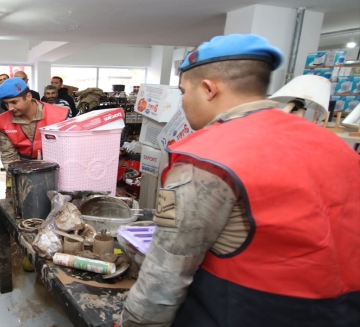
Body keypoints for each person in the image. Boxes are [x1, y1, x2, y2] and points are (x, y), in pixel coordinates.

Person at [120, 34, 360, 327]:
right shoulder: (335, 145)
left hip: (244, 309)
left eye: (183, 91)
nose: (182, 102)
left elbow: (167, 270)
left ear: (208, 89)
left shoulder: (208, 156)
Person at [0, 77, 68, 189]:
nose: (10, 108)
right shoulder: (2, 122)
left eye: (14, 102)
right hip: (22, 166)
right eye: (6, 103)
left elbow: (67, 152)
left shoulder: (59, 116)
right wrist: (21, 181)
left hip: (56, 167)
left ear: (28, 96)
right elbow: (9, 156)